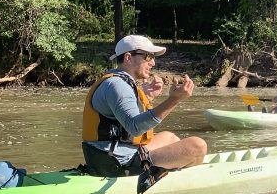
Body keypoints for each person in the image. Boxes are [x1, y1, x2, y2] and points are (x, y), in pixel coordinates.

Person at [82, 35, 207, 177]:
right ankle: (182, 177)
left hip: (110, 155)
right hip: (115, 163)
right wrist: (174, 100)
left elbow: (122, 118)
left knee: (168, 138)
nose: (153, 62)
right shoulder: (118, 86)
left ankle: (173, 172)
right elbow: (135, 128)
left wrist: (147, 97)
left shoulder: (118, 81)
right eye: (147, 56)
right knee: (197, 146)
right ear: (128, 57)